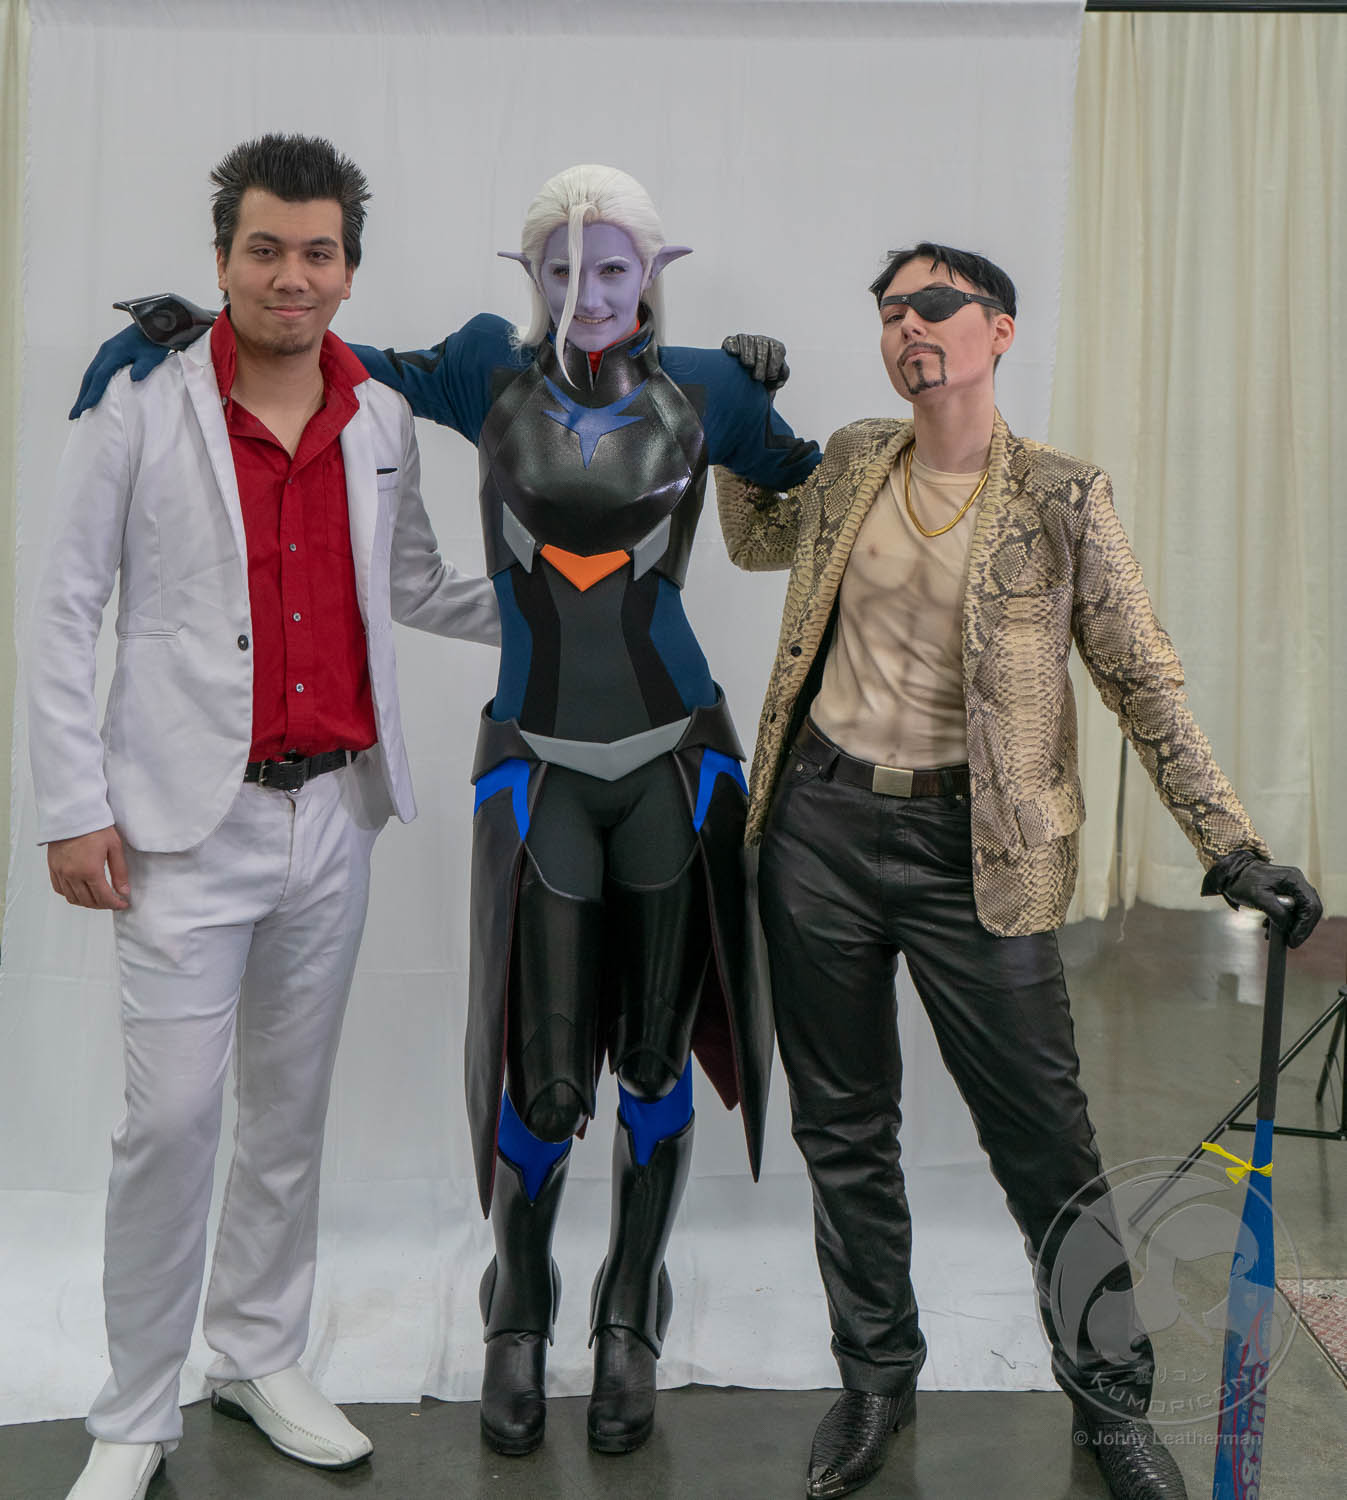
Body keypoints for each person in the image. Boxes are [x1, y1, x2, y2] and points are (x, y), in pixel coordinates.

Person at [71, 163, 820, 1458]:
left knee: (652, 1063)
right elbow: (332, 354)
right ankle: (514, 1314)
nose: (586, 293)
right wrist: (183, 336)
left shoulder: (713, 389)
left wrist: (767, 412)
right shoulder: (484, 372)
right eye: (560, 268)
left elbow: (820, 506)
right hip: (530, 762)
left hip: (677, 758)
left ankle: (630, 1314)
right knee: (540, 1074)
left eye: (613, 268)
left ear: (654, 272)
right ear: (528, 275)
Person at [714, 242, 1322, 1500]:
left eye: (935, 304)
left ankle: (1110, 1404)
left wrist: (1232, 845)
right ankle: (875, 1378)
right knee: (843, 1128)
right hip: (820, 828)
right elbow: (755, 541)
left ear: (996, 329)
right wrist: (738, 419)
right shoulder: (851, 460)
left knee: (1046, 1142)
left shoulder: (1061, 496)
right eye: (891, 310)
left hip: (977, 852)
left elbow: (1141, 677)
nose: (909, 325)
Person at [30, 133, 499, 1500]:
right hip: (181, 827)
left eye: (317, 253)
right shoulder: (138, 403)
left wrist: (573, 605)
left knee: (289, 1114)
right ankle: (134, 1409)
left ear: (349, 271)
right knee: (171, 1123)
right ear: (224, 259)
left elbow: (412, 587)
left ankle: (257, 1352)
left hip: (333, 817)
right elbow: (64, 609)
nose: (291, 276)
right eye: (265, 250)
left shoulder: (383, 418)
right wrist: (72, 805)